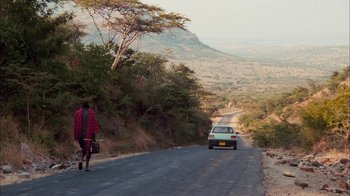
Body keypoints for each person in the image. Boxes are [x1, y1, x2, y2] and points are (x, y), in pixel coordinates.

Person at [74, 101, 100, 171]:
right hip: (88, 135)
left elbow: (76, 125)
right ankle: (86, 167)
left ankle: (80, 160)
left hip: (80, 135)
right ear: (88, 105)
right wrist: (93, 136)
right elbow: (93, 125)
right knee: (88, 150)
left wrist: (76, 135)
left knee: (83, 149)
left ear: (82, 105)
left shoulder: (77, 113)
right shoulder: (91, 113)